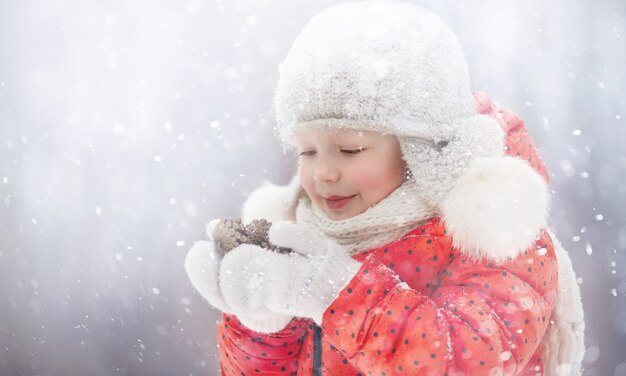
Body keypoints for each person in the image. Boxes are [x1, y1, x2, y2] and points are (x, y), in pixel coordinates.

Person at [185, 2, 585, 375]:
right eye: (307, 151)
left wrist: (333, 290)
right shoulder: (304, 237)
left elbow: (466, 359)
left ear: (418, 150)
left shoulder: (493, 234)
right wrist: (263, 323)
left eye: (350, 149)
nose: (323, 172)